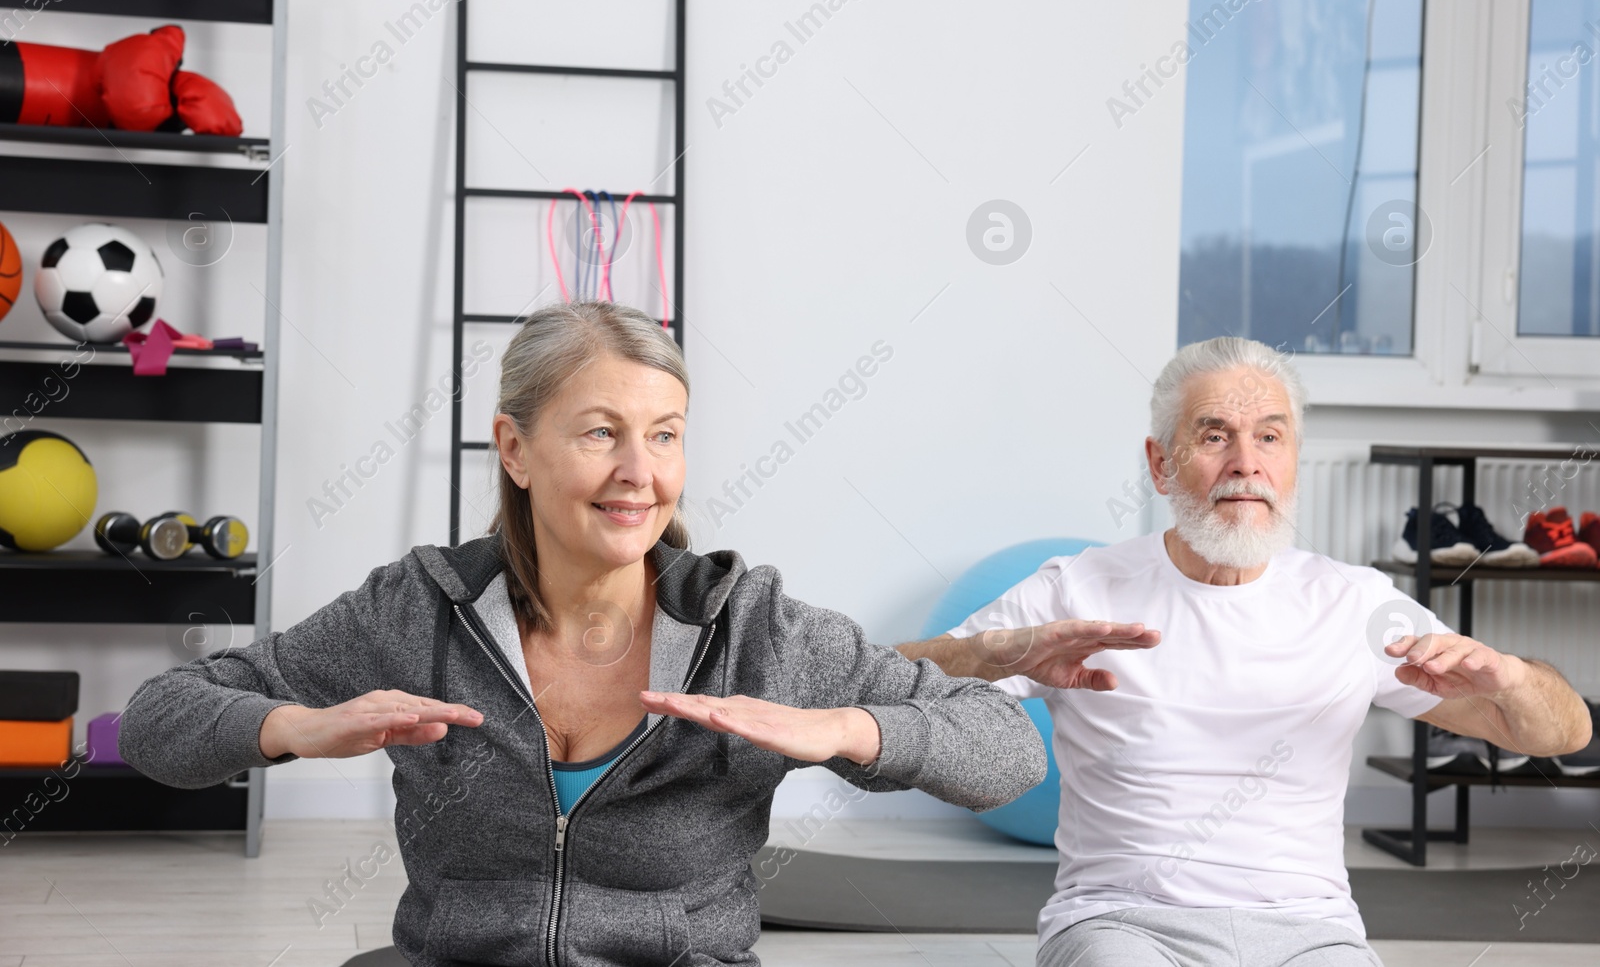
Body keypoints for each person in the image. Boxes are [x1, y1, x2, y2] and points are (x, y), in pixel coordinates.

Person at [120, 301, 1047, 967]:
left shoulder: (754, 626)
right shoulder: (417, 609)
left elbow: (1010, 750)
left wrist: (851, 731)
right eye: (601, 433)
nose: (640, 473)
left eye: (666, 434)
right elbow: (158, 718)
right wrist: (291, 726)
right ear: (514, 449)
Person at [897, 336, 1592, 967]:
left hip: (1312, 932)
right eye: (1214, 436)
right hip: (1124, 925)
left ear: (1292, 460)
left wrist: (1513, 678)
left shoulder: (1355, 601)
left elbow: (1566, 732)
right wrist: (998, 651)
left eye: (1269, 436)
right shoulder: (1078, 586)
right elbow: (890, 678)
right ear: (1160, 463)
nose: (1246, 464)